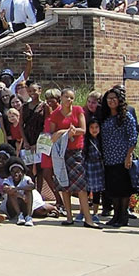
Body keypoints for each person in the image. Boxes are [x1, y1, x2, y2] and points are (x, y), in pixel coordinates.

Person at [47, 88, 101, 229]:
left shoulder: (78, 111)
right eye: (66, 97)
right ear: (61, 98)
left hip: (76, 151)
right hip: (61, 152)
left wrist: (73, 131)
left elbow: (83, 130)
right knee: (64, 185)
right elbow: (52, 135)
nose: (68, 100)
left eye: (71, 98)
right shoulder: (55, 114)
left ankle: (88, 219)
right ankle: (69, 217)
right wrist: (64, 132)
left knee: (81, 186)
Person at [98, 85, 138, 228]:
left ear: (120, 100)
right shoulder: (105, 116)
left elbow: (133, 136)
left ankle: (123, 216)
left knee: (123, 189)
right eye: (109, 98)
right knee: (113, 189)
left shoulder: (126, 115)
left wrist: (129, 156)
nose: (111, 101)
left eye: (114, 98)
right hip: (109, 158)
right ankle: (115, 216)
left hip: (122, 158)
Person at [4, 158, 37, 226]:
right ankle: (19, 215)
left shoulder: (26, 179)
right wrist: (20, 196)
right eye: (13, 171)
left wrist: (18, 188)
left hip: (24, 205)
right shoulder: (8, 180)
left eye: (18, 171)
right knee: (11, 192)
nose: (15, 174)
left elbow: (32, 186)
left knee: (28, 191)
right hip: (12, 209)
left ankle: (28, 216)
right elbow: (5, 188)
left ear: (22, 172)